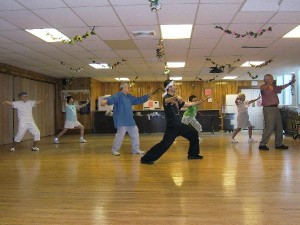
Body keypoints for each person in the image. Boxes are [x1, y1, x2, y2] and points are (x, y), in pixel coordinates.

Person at [141, 79, 203, 165]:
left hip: (179, 124)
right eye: (174, 85)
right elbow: (166, 101)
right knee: (164, 144)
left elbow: (187, 104)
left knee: (194, 133)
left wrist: (199, 102)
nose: (175, 86)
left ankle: (193, 154)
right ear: (169, 87)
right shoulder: (166, 97)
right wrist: (175, 97)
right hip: (172, 126)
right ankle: (146, 158)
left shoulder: (176, 99)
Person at [101, 82, 155, 156]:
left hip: (130, 120)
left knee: (135, 133)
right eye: (127, 87)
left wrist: (147, 96)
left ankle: (135, 149)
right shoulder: (118, 95)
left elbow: (137, 100)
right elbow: (111, 99)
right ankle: (115, 150)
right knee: (120, 135)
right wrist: (105, 100)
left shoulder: (129, 96)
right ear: (123, 88)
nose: (129, 88)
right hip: (121, 120)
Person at [259, 73, 296, 150]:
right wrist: (268, 84)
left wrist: (290, 83)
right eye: (271, 78)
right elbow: (262, 87)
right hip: (268, 109)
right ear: (266, 79)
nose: (273, 80)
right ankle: (262, 144)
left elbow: (282, 87)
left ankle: (278, 144)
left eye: (272, 78)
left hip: (276, 109)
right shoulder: (263, 87)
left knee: (279, 126)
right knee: (269, 126)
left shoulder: (274, 87)